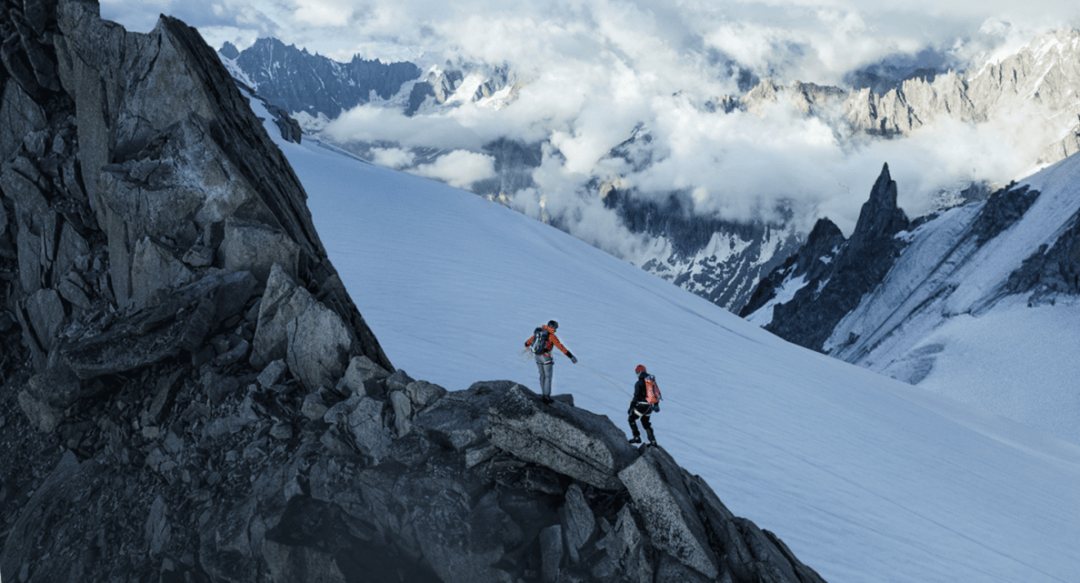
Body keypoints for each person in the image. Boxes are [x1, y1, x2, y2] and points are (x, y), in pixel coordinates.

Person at [524, 320, 577, 403]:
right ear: (553, 327)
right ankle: (546, 397)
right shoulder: (552, 336)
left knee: (542, 376)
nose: (556, 330)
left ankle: (543, 394)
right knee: (548, 377)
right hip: (546, 358)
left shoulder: (539, 333)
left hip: (537, 356)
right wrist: (571, 356)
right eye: (555, 328)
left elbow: (527, 343)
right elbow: (561, 347)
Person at [628, 364, 659, 445]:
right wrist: (656, 404)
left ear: (639, 372)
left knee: (631, 418)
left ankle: (637, 437)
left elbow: (636, 396)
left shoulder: (639, 383)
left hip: (642, 406)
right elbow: (656, 394)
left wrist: (631, 407)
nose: (636, 375)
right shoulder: (650, 381)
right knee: (645, 422)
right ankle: (653, 441)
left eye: (637, 373)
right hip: (650, 407)